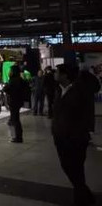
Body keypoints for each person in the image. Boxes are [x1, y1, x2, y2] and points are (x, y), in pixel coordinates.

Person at [52, 64, 95, 206]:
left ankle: (82, 199)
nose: (55, 74)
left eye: (57, 72)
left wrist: (81, 133)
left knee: (76, 169)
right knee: (68, 167)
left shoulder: (79, 90)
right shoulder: (59, 89)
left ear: (65, 75)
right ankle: (86, 196)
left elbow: (85, 113)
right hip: (60, 137)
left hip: (75, 138)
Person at [4, 65, 28, 143]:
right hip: (18, 102)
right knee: (15, 119)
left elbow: (6, 89)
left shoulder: (13, 80)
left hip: (14, 102)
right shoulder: (20, 80)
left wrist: (6, 85)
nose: (9, 72)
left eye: (10, 70)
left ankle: (18, 137)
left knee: (15, 120)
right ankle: (17, 137)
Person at [78, 67, 101, 134]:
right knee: (90, 114)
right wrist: (92, 91)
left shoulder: (78, 77)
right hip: (90, 97)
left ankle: (82, 128)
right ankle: (91, 129)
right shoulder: (92, 77)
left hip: (80, 98)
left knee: (81, 113)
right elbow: (97, 87)